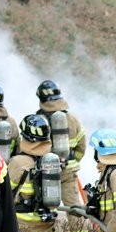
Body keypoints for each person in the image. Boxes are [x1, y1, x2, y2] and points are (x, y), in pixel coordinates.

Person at [34, 79, 86, 207]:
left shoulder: (37, 120)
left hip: (45, 171)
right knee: (74, 207)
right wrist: (72, 162)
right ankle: (78, 227)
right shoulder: (72, 119)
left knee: (46, 205)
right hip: (68, 172)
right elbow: (82, 145)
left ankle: (49, 227)